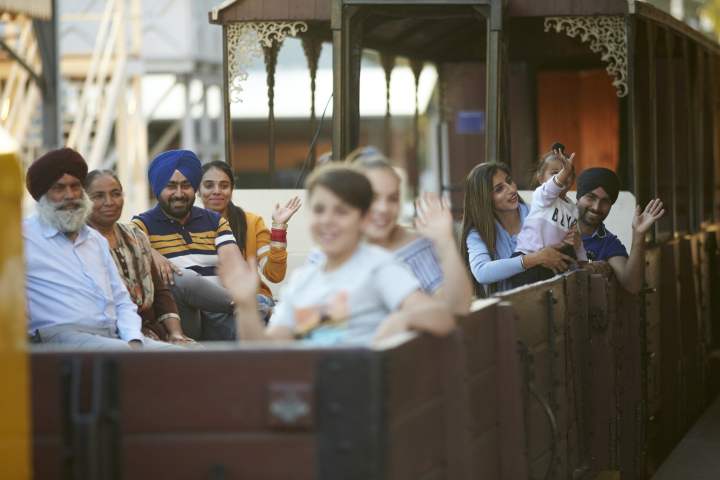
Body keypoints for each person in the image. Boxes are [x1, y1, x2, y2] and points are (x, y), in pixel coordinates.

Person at [218, 164, 455, 345]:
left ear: (363, 219)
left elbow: (441, 318)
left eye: (341, 211)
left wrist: (400, 320)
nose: (327, 221)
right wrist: (247, 305)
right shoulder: (304, 280)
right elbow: (266, 350)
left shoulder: (377, 267)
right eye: (320, 210)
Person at [23, 148, 172, 350]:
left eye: (75, 186)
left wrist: (134, 340)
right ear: (42, 196)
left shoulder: (94, 239)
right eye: (59, 188)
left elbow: (122, 301)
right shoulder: (21, 238)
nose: (70, 196)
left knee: (183, 358)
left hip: (114, 337)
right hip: (60, 339)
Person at [132, 149, 243, 341]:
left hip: (222, 311)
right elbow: (130, 242)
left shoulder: (214, 221)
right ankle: (253, 307)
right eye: (171, 186)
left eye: (186, 185)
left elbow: (234, 265)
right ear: (157, 189)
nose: (179, 193)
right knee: (180, 278)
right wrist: (150, 252)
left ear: (194, 188)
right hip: (186, 318)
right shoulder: (142, 225)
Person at [348, 151, 472, 315]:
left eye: (393, 198)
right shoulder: (327, 253)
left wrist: (445, 241)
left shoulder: (416, 248)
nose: (383, 208)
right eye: (373, 197)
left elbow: (458, 309)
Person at [85, 169, 194, 345]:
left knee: (201, 357)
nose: (109, 202)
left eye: (116, 194)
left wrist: (176, 334)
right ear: (84, 201)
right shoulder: (81, 245)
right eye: (98, 196)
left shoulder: (136, 237)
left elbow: (160, 292)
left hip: (153, 331)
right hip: (113, 337)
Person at [198, 160, 301, 319]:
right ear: (198, 190)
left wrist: (279, 228)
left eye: (224, 186)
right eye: (209, 185)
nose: (216, 191)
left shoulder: (251, 222)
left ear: (232, 190)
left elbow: (274, 274)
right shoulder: (190, 225)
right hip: (213, 303)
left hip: (254, 298)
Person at [461, 162, 573, 296]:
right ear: (484, 199)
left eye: (509, 181)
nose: (512, 189)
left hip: (551, 303)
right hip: (505, 311)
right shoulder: (477, 233)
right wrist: (536, 258)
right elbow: (482, 272)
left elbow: (570, 257)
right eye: (499, 189)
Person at [576, 167, 664, 294]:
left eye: (605, 201)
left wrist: (638, 234)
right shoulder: (554, 228)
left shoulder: (608, 242)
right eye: (590, 197)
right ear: (578, 197)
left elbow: (632, 285)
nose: (596, 207)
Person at [510, 143, 587, 287]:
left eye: (569, 174)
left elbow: (577, 240)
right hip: (529, 260)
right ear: (540, 178)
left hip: (552, 262)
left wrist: (583, 262)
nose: (563, 177)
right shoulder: (542, 196)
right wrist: (564, 171)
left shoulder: (573, 208)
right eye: (555, 172)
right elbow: (553, 187)